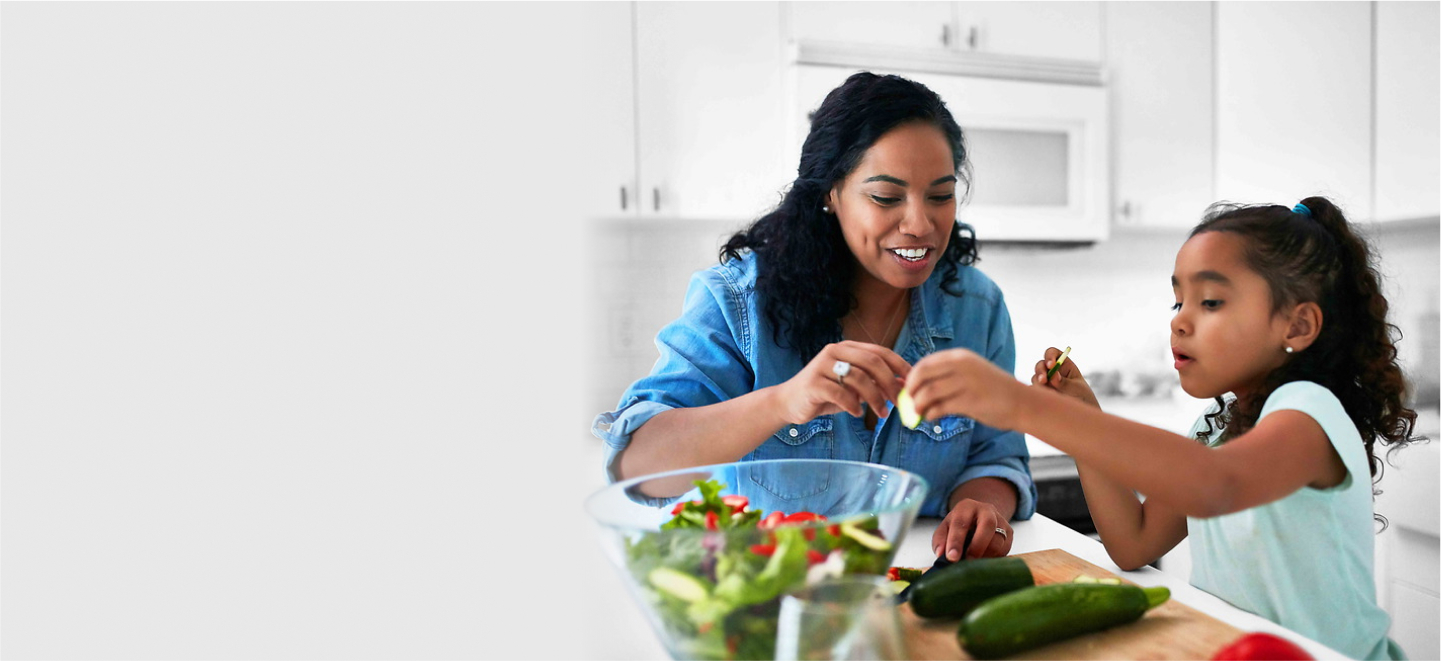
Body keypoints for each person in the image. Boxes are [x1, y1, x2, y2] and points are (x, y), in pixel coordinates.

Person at [903, 196, 1416, 660]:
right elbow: (1135, 543)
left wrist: (1023, 406)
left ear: (1297, 326)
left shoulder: (1309, 413)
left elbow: (1218, 484)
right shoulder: (1216, 428)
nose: (1180, 321)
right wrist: (1088, 418)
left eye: (1210, 302)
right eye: (1178, 301)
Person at [591, 72, 1036, 562]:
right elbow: (638, 467)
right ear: (830, 193)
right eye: (886, 198)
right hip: (770, 599)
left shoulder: (978, 308)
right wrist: (783, 402)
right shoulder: (739, 302)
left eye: (940, 195)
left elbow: (995, 456)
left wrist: (979, 503)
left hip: (921, 596)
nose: (920, 224)